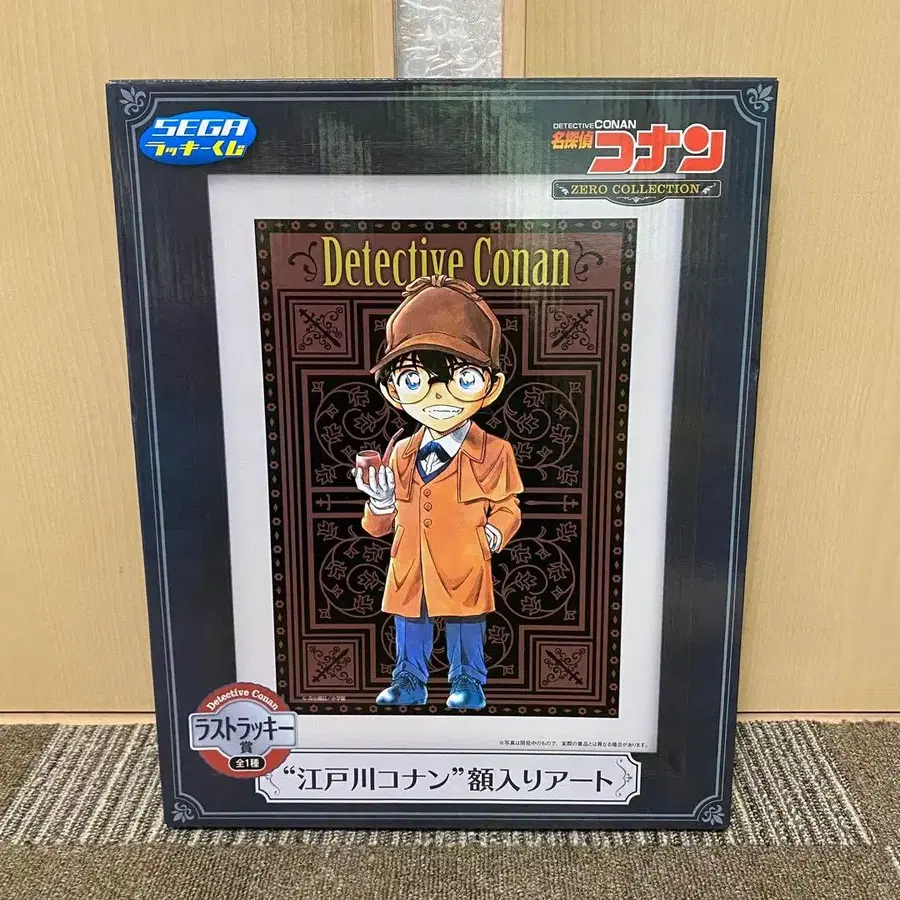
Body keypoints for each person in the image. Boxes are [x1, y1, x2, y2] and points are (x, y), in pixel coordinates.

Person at [353, 275, 523, 710]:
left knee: (466, 624)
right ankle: (409, 679)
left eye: (463, 378)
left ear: (491, 386)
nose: (438, 395)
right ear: (392, 390)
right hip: (410, 562)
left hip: (465, 560)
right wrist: (380, 501)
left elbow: (508, 507)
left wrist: (492, 536)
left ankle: (468, 681)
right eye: (415, 380)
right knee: (411, 621)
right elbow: (377, 528)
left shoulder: (494, 451)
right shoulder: (401, 452)